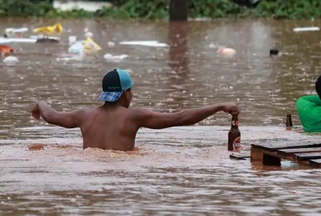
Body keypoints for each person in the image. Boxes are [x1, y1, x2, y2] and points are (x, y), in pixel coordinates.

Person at [30, 69, 240, 151]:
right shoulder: (134, 116)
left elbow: (51, 116)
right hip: (122, 173)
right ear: (125, 93)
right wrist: (219, 106)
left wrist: (40, 103)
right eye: (131, 91)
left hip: (90, 169)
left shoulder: (84, 115)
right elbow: (181, 118)